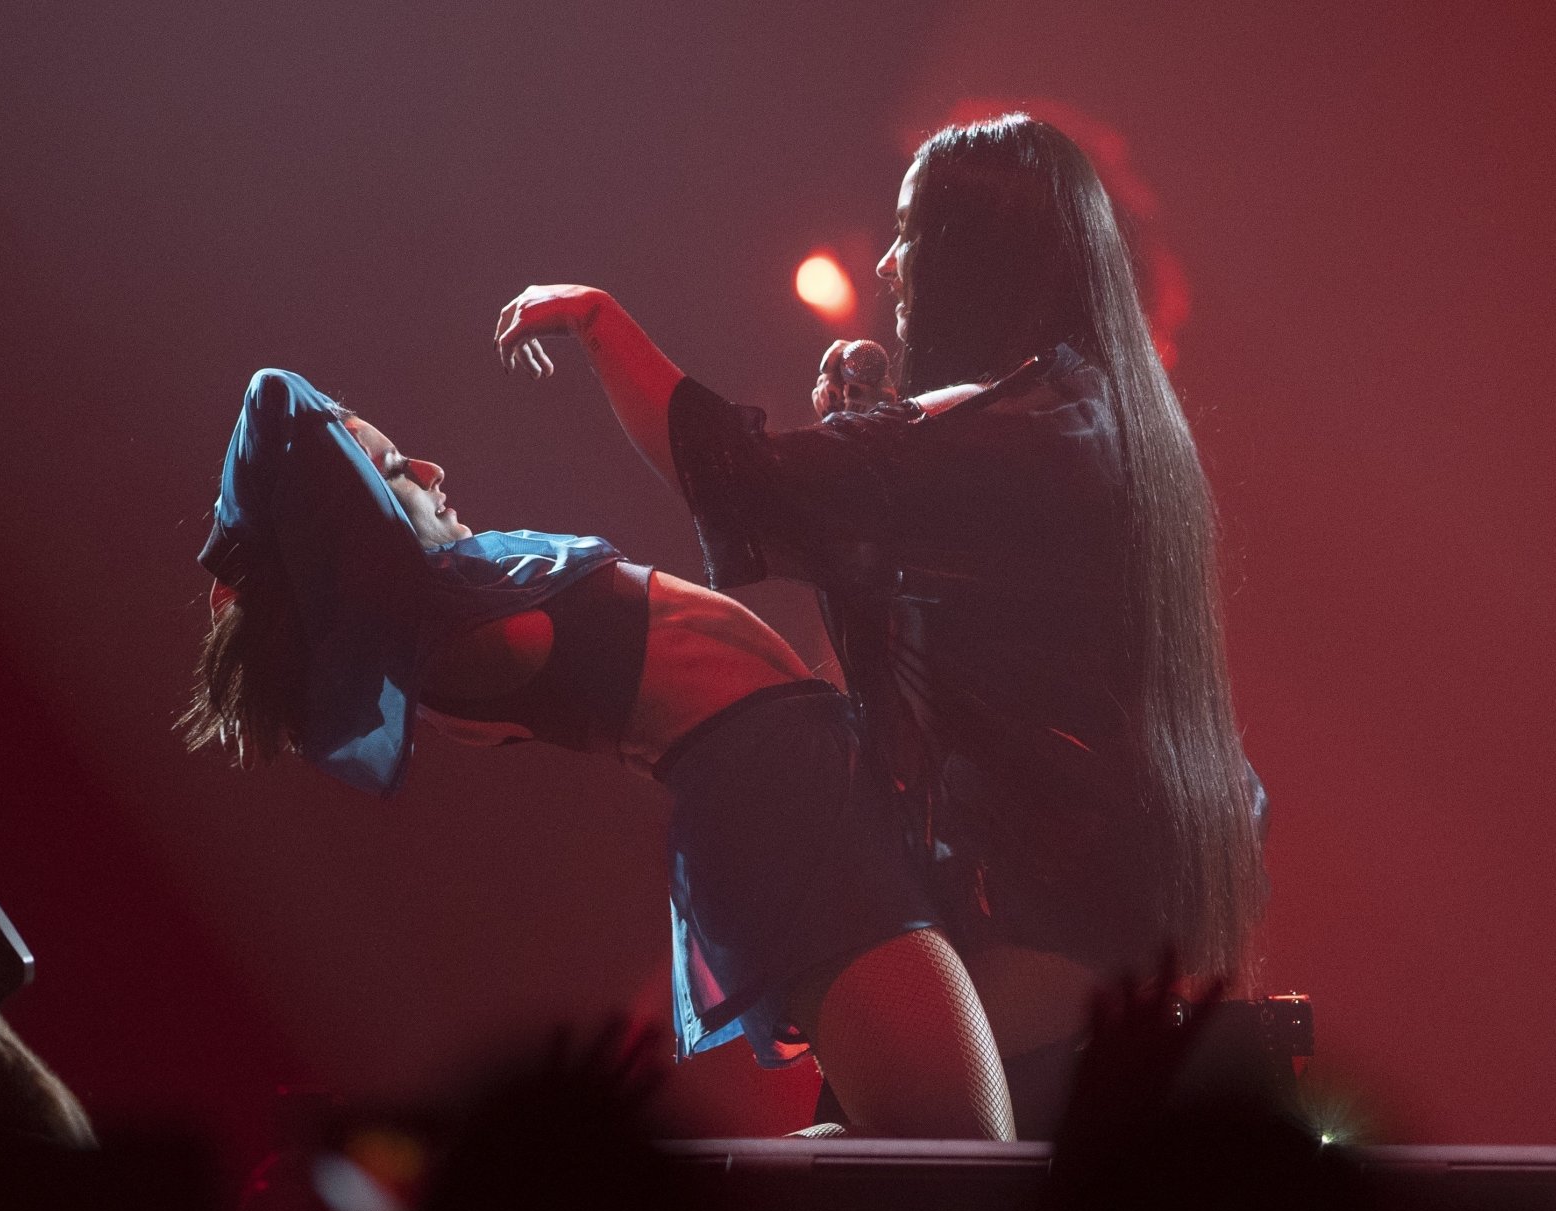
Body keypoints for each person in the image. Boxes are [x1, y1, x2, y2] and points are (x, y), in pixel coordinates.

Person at [493, 113, 1267, 1135]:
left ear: (976, 255)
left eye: (911, 233)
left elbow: (741, 480)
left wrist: (601, 325)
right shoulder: (1099, 419)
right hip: (1082, 977)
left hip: (1035, 996)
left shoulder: (1026, 432)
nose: (890, 266)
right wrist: (875, 426)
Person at [184, 367, 1013, 1140]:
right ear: (354, 524)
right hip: (783, 811)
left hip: (792, 791)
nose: (433, 470)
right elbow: (280, 413)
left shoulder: (461, 601)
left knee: (939, 1135)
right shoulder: (449, 635)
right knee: (961, 1150)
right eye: (396, 470)